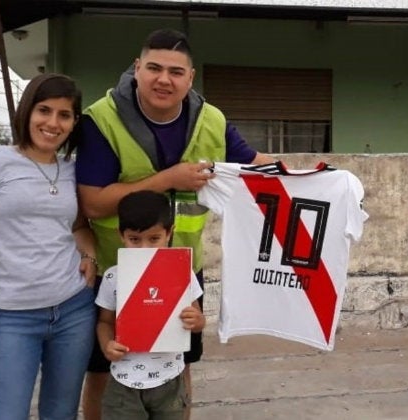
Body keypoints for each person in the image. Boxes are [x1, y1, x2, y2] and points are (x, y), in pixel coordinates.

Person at [76, 28, 272, 419]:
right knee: (104, 369)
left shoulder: (211, 120)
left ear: (191, 77)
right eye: (154, 68)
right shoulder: (101, 119)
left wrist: (316, 177)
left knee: (178, 365)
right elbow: (93, 203)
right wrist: (168, 179)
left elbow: (252, 168)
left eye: (175, 72)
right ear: (137, 68)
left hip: (182, 267)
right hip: (118, 266)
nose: (164, 79)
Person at [0, 73, 98, 419]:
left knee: (61, 414)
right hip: (10, 317)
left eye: (64, 115)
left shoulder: (72, 170)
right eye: (44, 110)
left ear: (74, 122)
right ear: (26, 112)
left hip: (73, 311)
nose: (52, 122)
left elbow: (78, 225)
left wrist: (89, 253)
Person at [95, 190, 205, 419]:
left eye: (154, 239)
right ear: (121, 235)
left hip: (170, 380)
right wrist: (107, 345)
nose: (144, 248)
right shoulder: (114, 277)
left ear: (169, 233)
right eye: (135, 239)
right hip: (124, 383)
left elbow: (198, 319)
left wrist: (196, 320)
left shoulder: (182, 273)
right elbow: (104, 321)